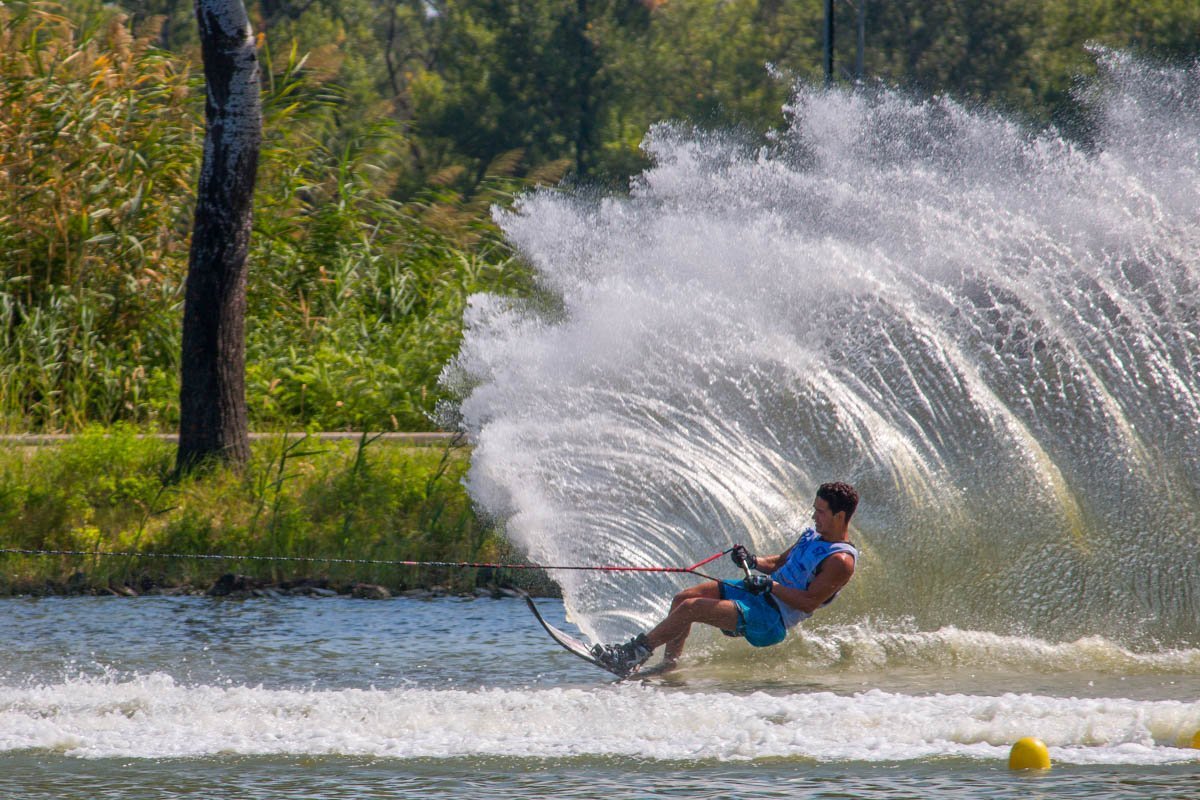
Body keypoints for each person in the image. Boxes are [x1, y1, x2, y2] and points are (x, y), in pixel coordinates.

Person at [591, 481, 859, 676]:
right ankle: (669, 665)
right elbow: (778, 562)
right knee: (683, 598)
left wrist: (770, 585)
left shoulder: (840, 560)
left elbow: (809, 602)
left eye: (821, 512)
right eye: (815, 509)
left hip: (771, 617)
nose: (814, 516)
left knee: (691, 609)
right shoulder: (812, 535)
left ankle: (631, 655)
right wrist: (753, 561)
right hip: (758, 594)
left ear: (840, 516)